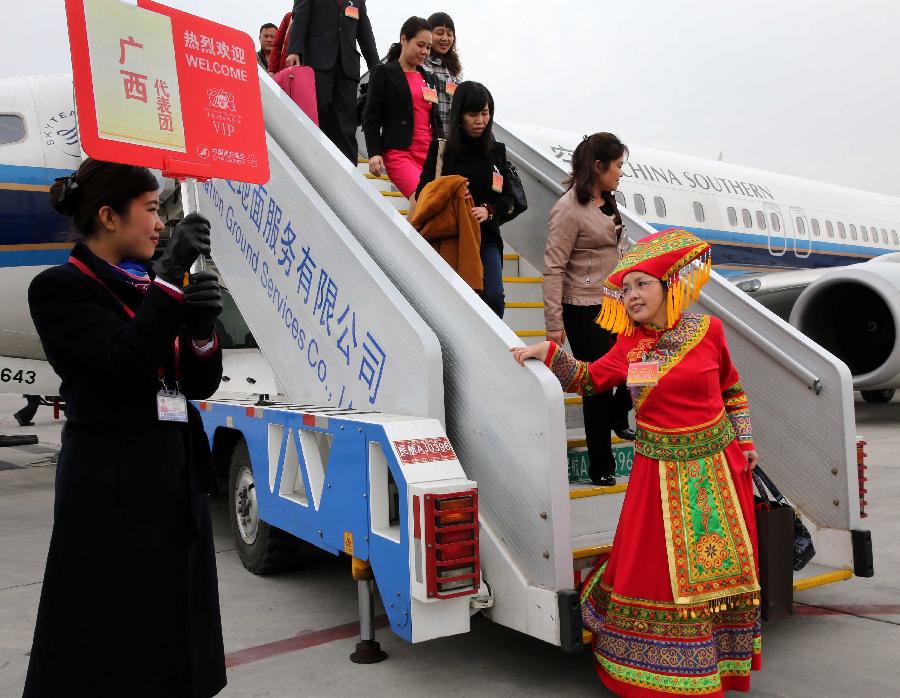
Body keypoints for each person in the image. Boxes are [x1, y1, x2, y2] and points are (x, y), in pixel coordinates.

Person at [512, 228, 762, 697]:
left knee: (720, 575)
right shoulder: (630, 347)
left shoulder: (710, 331)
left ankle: (717, 663)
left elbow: (733, 390)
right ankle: (661, 670)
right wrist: (551, 354)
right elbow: (588, 380)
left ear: (670, 285)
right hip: (658, 475)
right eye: (624, 289)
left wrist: (746, 446)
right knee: (658, 576)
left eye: (640, 285)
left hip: (718, 470)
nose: (630, 296)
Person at [23, 159, 227, 697]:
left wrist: (204, 329)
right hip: (112, 495)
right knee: (111, 645)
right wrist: (169, 285)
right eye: (152, 209)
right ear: (109, 217)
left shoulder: (150, 286)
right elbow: (125, 363)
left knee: (176, 638)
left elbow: (196, 383)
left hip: (174, 482)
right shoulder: (59, 289)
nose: (160, 223)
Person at [543, 132, 633, 486]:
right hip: (582, 308)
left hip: (614, 305)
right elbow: (553, 267)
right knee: (597, 384)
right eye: (618, 166)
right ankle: (601, 465)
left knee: (631, 369)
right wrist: (554, 324)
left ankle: (618, 416)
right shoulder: (568, 209)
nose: (621, 173)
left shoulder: (609, 201)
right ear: (598, 167)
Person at [416, 81, 515, 318]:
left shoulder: (497, 151)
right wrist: (452, 194)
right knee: (455, 300)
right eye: (473, 114)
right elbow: (422, 192)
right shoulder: (442, 150)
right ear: (459, 115)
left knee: (493, 297)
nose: (480, 120)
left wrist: (488, 210)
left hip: (486, 236)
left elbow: (510, 198)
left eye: (485, 113)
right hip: (450, 235)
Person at [286, 0, 380, 162]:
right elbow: (301, 17)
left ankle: (347, 171)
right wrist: (294, 50)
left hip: (347, 68)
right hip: (317, 63)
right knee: (318, 113)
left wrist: (376, 68)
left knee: (346, 124)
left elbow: (365, 33)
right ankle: (311, 162)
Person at [363, 17, 440, 202]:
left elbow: (435, 121)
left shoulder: (430, 79)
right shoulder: (384, 72)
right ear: (404, 39)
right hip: (399, 153)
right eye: (420, 45)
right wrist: (374, 153)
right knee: (421, 200)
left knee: (429, 208)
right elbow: (371, 117)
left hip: (429, 154)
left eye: (428, 47)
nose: (424, 52)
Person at [423, 12, 462, 138]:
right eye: (440, 33)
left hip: (450, 139)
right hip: (426, 137)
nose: (445, 38)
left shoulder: (456, 70)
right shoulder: (421, 63)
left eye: (450, 34)